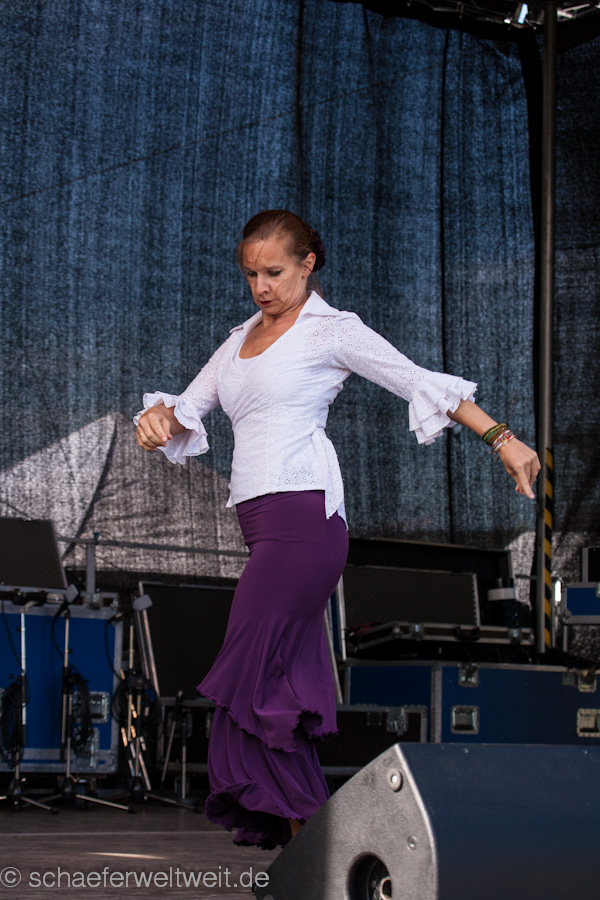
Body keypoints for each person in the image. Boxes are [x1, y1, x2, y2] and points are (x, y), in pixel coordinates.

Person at [134, 209, 540, 849]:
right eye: (251, 275)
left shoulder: (331, 331)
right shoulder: (238, 340)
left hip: (304, 525)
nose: (262, 286)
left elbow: (416, 380)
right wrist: (155, 419)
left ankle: (311, 835)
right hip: (262, 528)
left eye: (274, 272)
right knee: (273, 690)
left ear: (308, 264)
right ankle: (315, 848)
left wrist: (502, 439)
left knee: (249, 678)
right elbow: (186, 410)